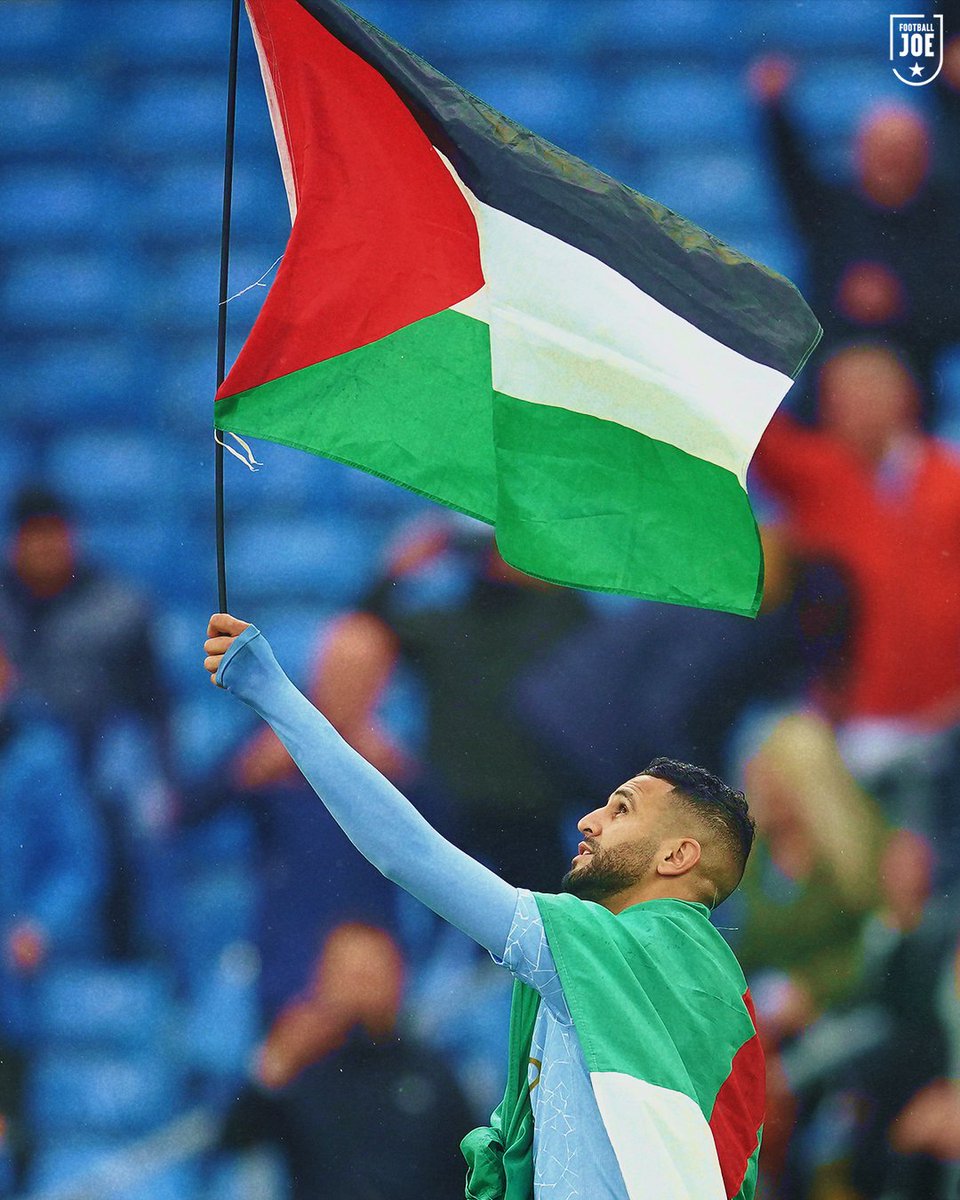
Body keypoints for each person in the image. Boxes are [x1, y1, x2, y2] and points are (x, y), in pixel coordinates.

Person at [203, 612, 765, 1200]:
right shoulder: (680, 985)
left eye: (621, 810)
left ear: (677, 855)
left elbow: (406, 852)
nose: (588, 821)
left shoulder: (634, 947)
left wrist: (274, 694)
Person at [753, 343, 960, 777]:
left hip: (948, 717)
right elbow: (751, 430)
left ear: (907, 395)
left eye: (869, 390)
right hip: (859, 725)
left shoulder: (951, 479)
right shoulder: (816, 473)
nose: (855, 405)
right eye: (840, 394)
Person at [748, 56, 960, 395]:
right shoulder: (829, 209)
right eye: (882, 151)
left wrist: (899, 302)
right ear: (860, 153)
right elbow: (791, 171)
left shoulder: (946, 218)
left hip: (913, 380)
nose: (891, 163)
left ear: (924, 156)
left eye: (902, 153)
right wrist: (774, 107)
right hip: (829, 385)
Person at [220, 922, 474, 1200]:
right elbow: (234, 1137)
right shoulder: (302, 1070)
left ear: (399, 977)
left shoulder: (431, 1072)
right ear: (321, 978)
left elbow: (472, 1171)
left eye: (372, 971)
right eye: (349, 971)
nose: (360, 984)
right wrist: (275, 1064)